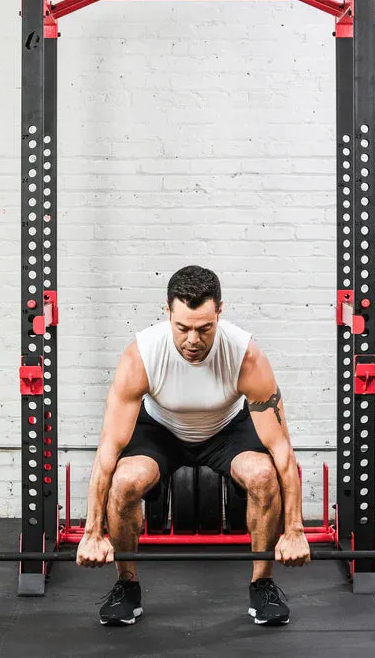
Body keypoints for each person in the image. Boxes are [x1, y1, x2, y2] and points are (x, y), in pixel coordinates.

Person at [76, 265, 310, 626]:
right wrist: (92, 532)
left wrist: (294, 530)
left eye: (204, 328)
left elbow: (281, 451)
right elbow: (108, 451)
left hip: (226, 428)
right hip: (160, 429)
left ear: (219, 312)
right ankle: (127, 585)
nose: (193, 340)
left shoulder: (246, 356)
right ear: (167, 312)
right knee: (124, 482)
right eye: (182, 327)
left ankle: (262, 584)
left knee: (264, 475)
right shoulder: (141, 356)